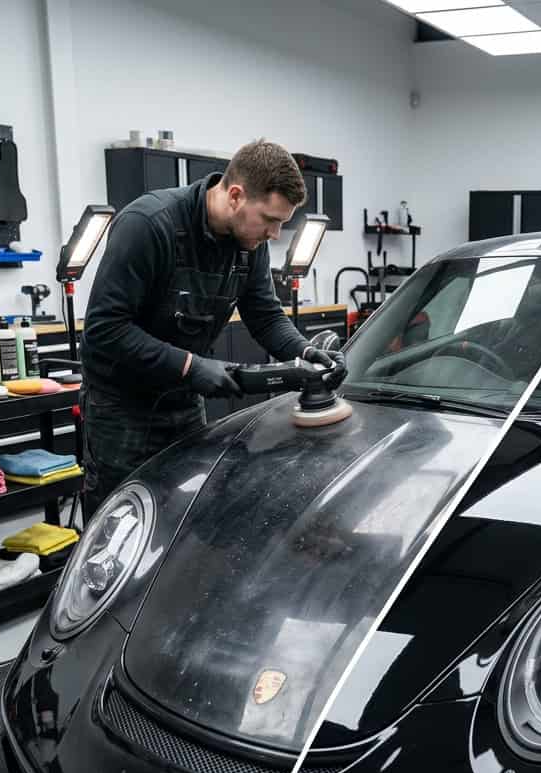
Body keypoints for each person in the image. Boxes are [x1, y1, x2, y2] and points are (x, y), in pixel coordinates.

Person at [79, 139, 344, 518]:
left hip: (183, 401)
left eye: (281, 224)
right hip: (121, 409)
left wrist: (303, 353)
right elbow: (105, 330)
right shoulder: (149, 225)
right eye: (270, 220)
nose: (273, 234)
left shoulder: (249, 244)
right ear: (235, 195)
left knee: (183, 516)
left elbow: (265, 315)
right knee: (121, 522)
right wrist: (191, 366)